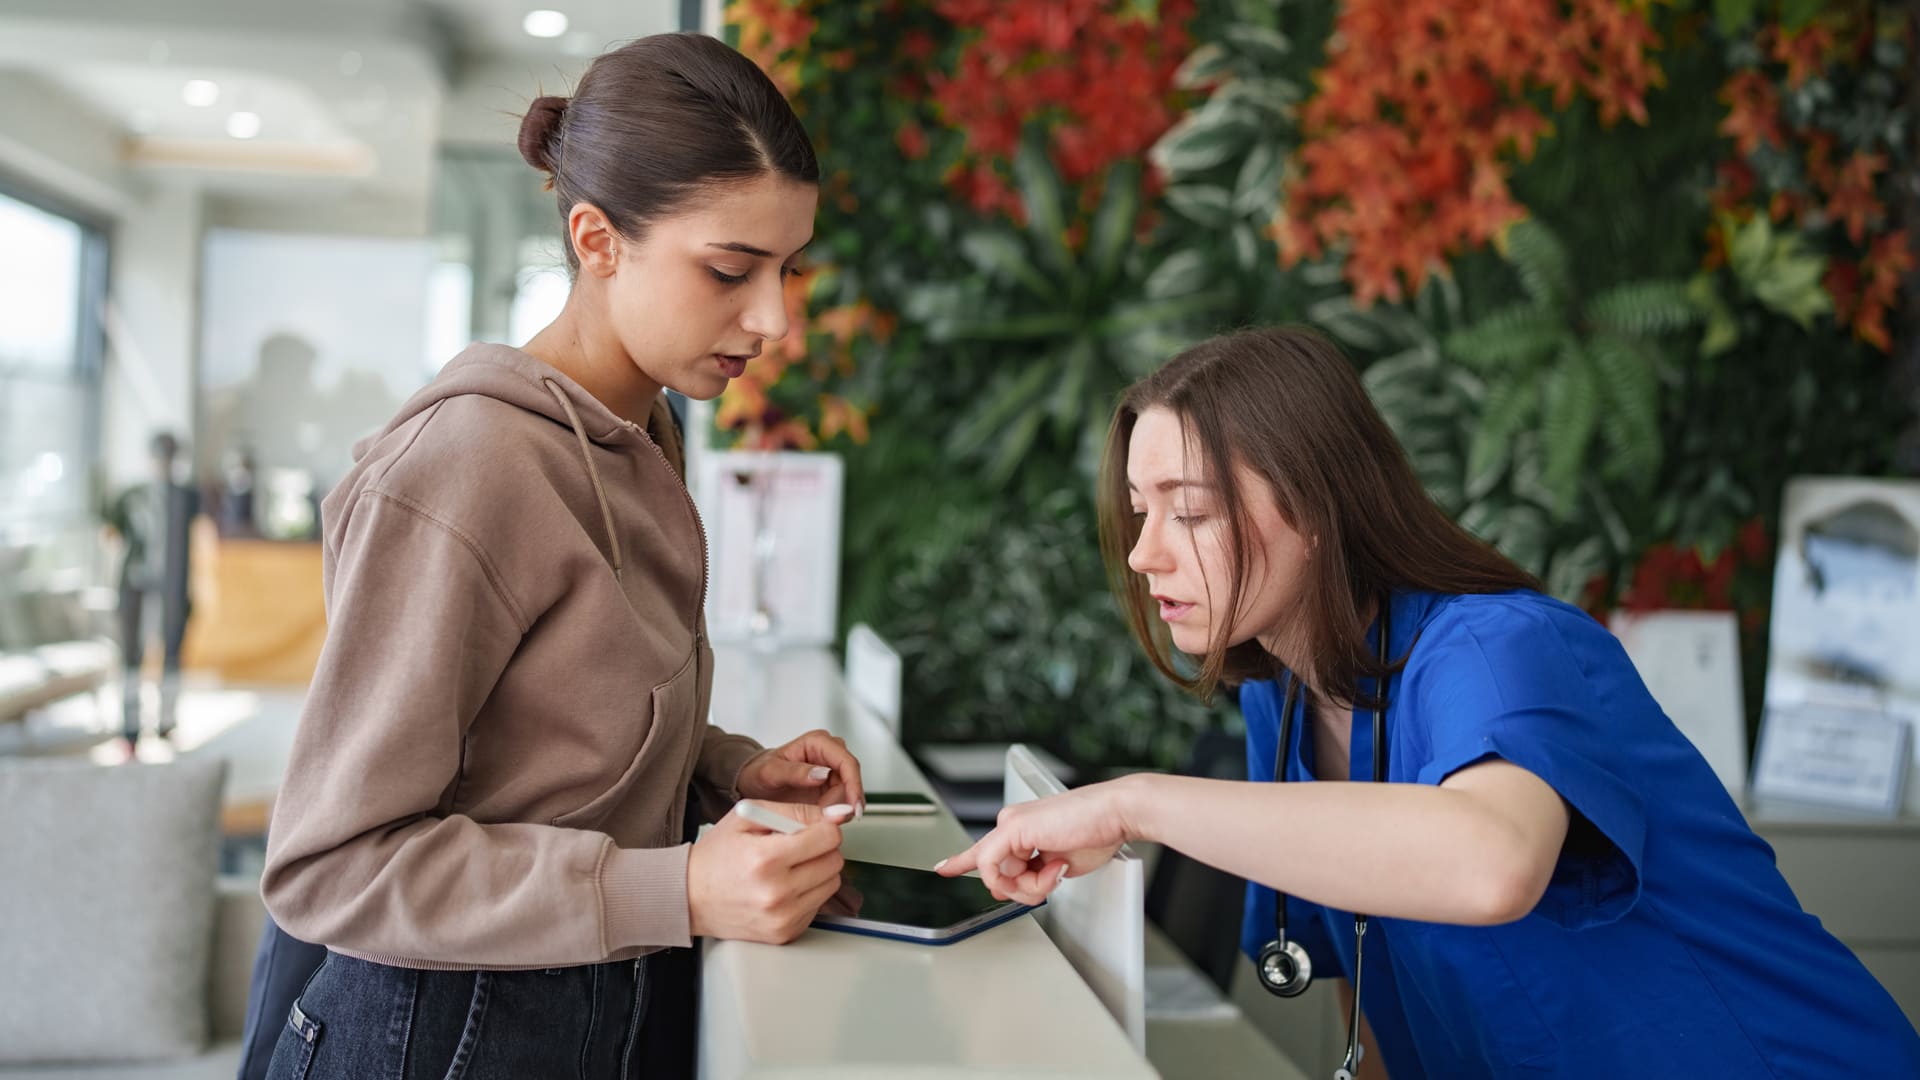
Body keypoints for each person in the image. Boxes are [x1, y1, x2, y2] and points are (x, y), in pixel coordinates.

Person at [938, 326, 1920, 1077]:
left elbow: (1489, 864)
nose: (1146, 552)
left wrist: (1133, 803)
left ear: (1318, 505)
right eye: (1141, 512)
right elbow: (1372, 996)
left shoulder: (1499, 649)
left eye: (1189, 512)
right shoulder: (1282, 709)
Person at [254, 33, 865, 1080]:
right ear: (596, 239)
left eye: (790, 269)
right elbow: (332, 865)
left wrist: (723, 769)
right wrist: (675, 891)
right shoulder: (468, 466)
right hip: (435, 1034)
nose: (774, 319)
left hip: (588, 1012)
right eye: (730, 270)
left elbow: (539, 739)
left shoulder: (639, 434)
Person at [105, 430, 198, 752]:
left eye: (169, 456)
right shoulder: (131, 495)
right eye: (159, 455)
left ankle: (166, 723)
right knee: (132, 657)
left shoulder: (188, 497)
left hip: (173, 587)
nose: (164, 462)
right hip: (135, 587)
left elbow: (199, 542)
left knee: (172, 654)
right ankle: (129, 728)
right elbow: (111, 535)